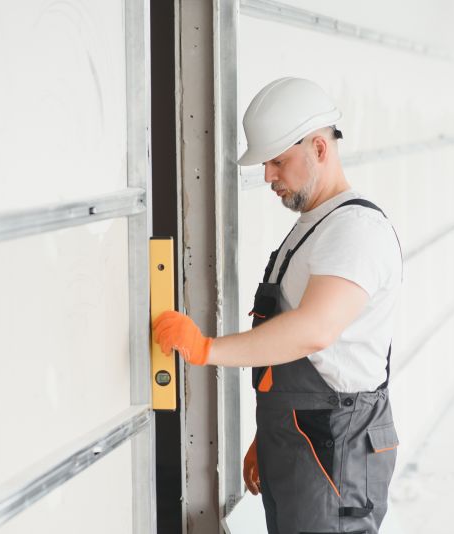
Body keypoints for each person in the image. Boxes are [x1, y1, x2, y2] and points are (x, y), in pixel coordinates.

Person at [153, 77, 402, 534]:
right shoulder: (317, 226)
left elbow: (313, 331)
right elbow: (309, 356)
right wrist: (272, 436)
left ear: (320, 149)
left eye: (278, 161)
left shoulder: (354, 231)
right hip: (307, 437)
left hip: (335, 447)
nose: (268, 175)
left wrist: (207, 349)